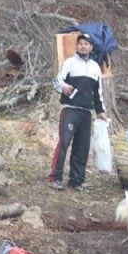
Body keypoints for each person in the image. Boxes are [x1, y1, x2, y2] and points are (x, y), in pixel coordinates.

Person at [48, 33, 107, 191]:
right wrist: (64, 87)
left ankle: (76, 181)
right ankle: (55, 177)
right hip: (70, 110)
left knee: (82, 147)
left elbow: (98, 93)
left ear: (91, 47)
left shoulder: (95, 67)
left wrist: (100, 111)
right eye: (80, 43)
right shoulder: (70, 63)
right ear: (77, 46)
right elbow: (57, 81)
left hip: (87, 113)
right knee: (64, 143)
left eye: (86, 44)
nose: (83, 46)